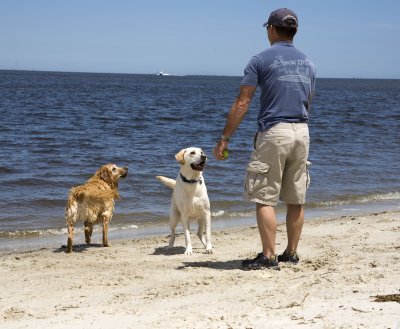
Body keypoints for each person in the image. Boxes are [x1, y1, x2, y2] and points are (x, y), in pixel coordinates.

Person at [213, 8, 316, 270]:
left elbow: (242, 102)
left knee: (265, 196)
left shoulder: (260, 59)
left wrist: (225, 138)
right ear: (295, 31)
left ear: (271, 29)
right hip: (302, 131)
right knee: (296, 197)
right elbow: (308, 100)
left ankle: (268, 256)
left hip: (275, 131)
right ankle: (291, 253)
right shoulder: (308, 62)